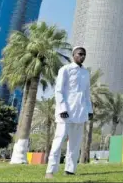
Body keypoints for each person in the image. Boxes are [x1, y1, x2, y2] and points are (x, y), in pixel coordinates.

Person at [45, 47, 93, 179]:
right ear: (73, 55)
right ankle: (50, 171)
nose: (82, 56)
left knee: (75, 143)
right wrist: (62, 109)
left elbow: (87, 94)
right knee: (59, 141)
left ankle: (70, 170)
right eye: (80, 54)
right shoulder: (65, 69)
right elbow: (59, 90)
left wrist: (89, 110)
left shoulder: (85, 73)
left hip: (80, 112)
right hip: (65, 112)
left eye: (84, 54)